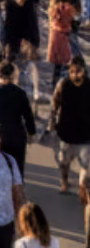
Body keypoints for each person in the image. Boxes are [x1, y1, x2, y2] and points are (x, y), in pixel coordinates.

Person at [0, 60, 39, 181]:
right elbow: (28, 117)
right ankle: (16, 196)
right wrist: (32, 133)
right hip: (16, 137)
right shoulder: (20, 93)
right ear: (13, 75)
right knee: (16, 172)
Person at [52, 56, 90, 195]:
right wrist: (52, 123)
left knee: (85, 164)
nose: (74, 74)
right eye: (72, 71)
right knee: (64, 163)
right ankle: (64, 181)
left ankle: (82, 186)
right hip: (66, 132)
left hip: (85, 134)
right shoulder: (63, 84)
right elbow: (54, 104)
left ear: (84, 71)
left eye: (78, 71)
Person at [47, 0, 78, 90]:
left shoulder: (55, 7)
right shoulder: (64, 9)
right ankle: (58, 83)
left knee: (59, 63)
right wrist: (69, 27)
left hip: (57, 37)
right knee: (64, 62)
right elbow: (61, 24)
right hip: (62, 38)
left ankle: (55, 82)